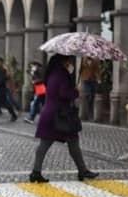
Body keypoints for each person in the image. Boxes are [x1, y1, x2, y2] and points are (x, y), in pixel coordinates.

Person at [29, 54, 99, 183]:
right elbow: (63, 93)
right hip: (60, 115)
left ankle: (36, 172)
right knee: (65, 143)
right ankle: (82, 171)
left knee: (63, 143)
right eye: (69, 60)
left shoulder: (53, 73)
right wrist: (75, 92)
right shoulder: (61, 75)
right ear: (64, 61)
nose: (71, 63)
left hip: (53, 113)